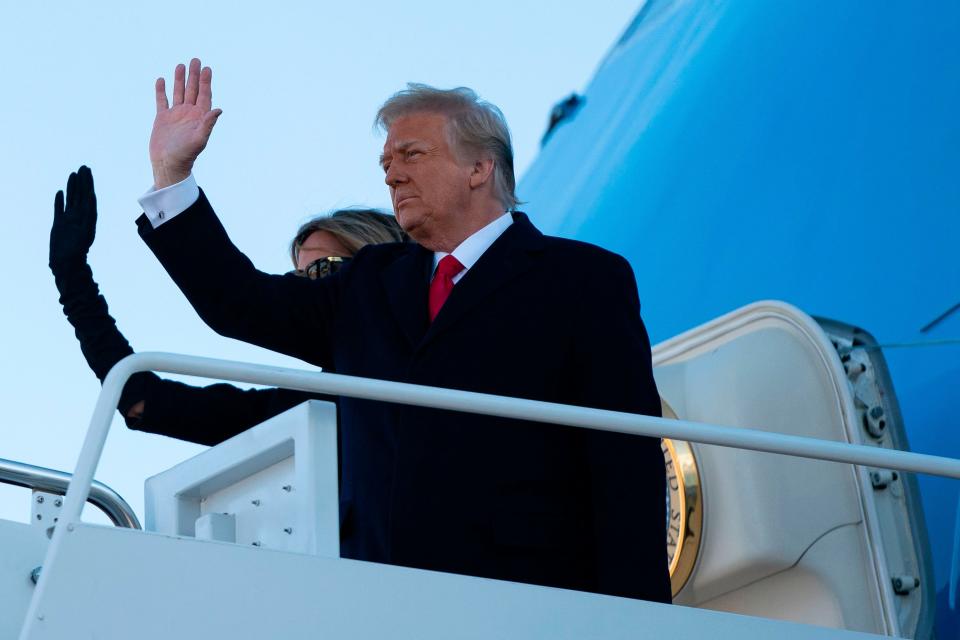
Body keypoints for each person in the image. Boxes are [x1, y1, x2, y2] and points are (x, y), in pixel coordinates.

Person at [135, 58, 670, 602]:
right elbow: (239, 304)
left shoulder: (583, 279)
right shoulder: (368, 282)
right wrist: (173, 178)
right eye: (386, 161)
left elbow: (624, 465)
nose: (391, 173)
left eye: (411, 154)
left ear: (480, 166)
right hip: (382, 607)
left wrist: (645, 622)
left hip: (529, 604)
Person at [50, 165, 405, 446]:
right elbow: (140, 398)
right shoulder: (306, 412)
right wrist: (72, 279)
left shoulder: (435, 344)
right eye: (297, 276)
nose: (306, 287)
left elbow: (238, 298)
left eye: (323, 268)